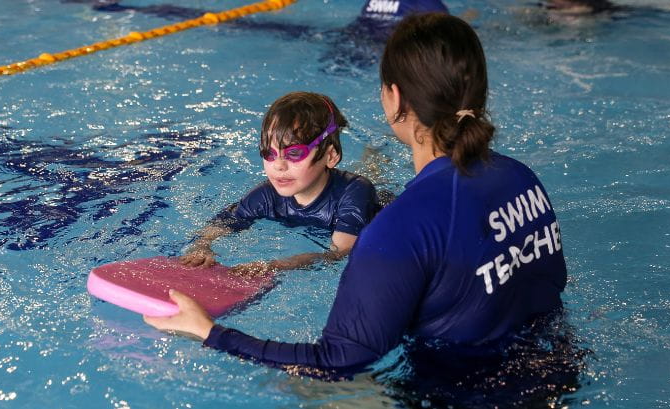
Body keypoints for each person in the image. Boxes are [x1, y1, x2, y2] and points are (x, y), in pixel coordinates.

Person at [145, 13, 568, 381]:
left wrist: (210, 333)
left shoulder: (394, 230)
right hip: (559, 373)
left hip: (459, 393)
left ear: (394, 98)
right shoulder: (519, 177)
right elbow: (551, 288)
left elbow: (336, 364)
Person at [179, 91, 380, 274]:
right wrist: (202, 246)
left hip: (373, 202)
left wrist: (277, 266)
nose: (279, 166)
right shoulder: (267, 195)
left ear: (330, 156)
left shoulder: (355, 192)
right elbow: (225, 222)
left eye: (294, 153)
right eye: (269, 153)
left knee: (374, 174)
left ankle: (376, 154)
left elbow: (339, 253)